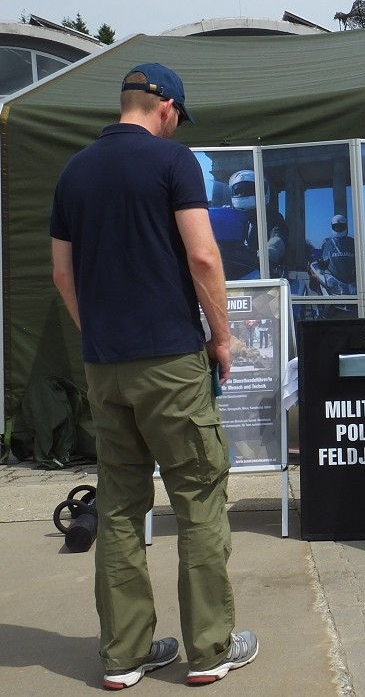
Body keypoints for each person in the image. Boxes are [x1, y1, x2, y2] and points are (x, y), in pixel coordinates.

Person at [50, 63, 257, 688]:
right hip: (171, 363)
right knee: (197, 499)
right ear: (165, 108)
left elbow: (62, 274)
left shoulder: (73, 171)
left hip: (105, 367)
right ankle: (210, 650)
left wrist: (100, 336)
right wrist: (222, 337)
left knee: (117, 508)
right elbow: (201, 253)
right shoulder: (174, 163)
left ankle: (124, 655)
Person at [225, 168, 289, 279]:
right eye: (238, 191)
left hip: (262, 271)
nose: (242, 193)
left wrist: (269, 252)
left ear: (261, 191)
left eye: (248, 189)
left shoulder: (272, 217)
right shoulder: (229, 216)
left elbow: (278, 236)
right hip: (233, 268)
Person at [318, 214, 357, 294]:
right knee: (317, 282)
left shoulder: (352, 242)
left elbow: (360, 254)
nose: (338, 228)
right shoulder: (326, 242)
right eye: (336, 226)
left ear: (345, 227)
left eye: (341, 226)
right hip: (334, 275)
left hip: (351, 275)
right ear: (332, 227)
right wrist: (320, 260)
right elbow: (320, 254)